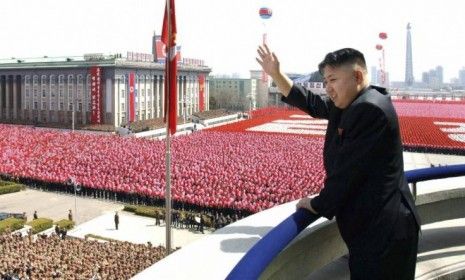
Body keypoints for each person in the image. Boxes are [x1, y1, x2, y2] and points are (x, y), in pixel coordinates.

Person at [257, 45, 421, 279]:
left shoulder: (367, 109)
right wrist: (276, 74)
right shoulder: (358, 101)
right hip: (379, 230)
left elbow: (346, 174)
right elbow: (313, 104)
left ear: (357, 76)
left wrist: (316, 204)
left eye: (332, 80)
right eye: (325, 81)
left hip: (383, 234)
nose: (328, 89)